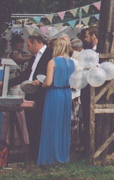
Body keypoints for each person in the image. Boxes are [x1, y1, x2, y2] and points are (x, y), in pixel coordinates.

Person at [10, 33, 52, 156]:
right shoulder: (34, 57)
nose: (27, 48)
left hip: (41, 93)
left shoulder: (49, 54)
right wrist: (8, 82)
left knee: (39, 123)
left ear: (36, 43)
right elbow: (26, 75)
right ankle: (33, 151)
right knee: (30, 122)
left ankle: (38, 152)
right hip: (30, 92)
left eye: (29, 45)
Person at [37, 37, 75, 165]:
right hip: (66, 93)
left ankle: (50, 157)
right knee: (63, 124)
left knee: (52, 123)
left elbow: (48, 82)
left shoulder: (52, 62)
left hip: (55, 93)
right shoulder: (72, 63)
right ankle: (63, 154)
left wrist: (40, 83)